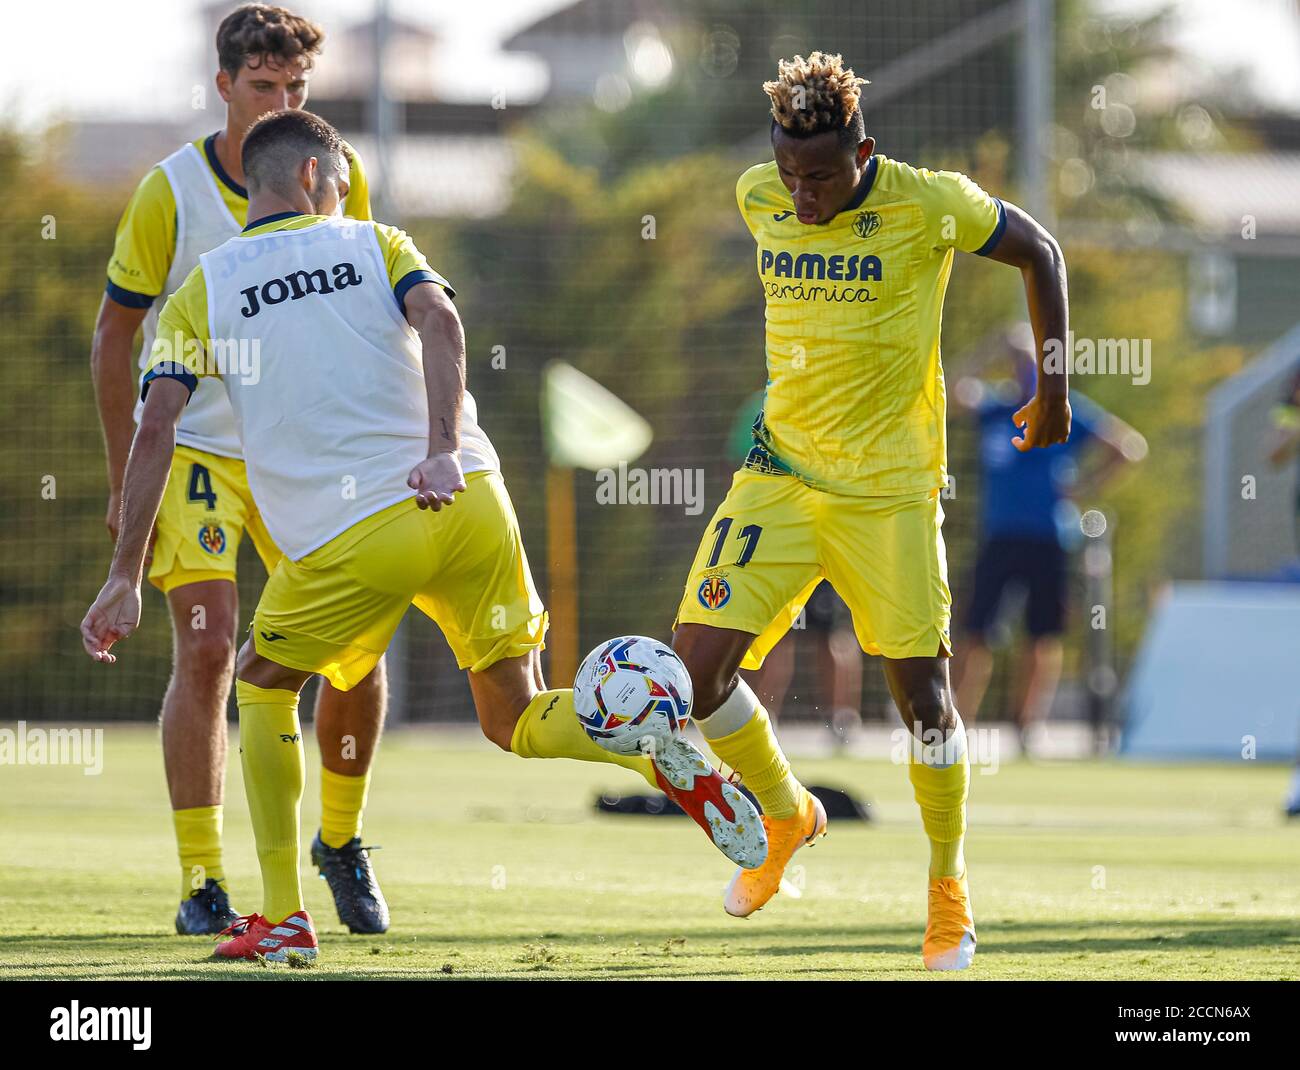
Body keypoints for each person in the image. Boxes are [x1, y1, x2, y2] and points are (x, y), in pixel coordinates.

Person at [80, 109, 765, 962]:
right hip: (474, 500)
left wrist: (123, 573)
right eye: (339, 182)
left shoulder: (205, 288)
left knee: (259, 683)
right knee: (513, 714)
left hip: (352, 531)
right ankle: (647, 754)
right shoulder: (377, 242)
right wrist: (441, 449)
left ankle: (286, 919)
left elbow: (157, 427)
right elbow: (443, 324)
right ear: (309, 181)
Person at [670, 51, 1074, 971]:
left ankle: (947, 893)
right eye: (788, 175)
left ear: (865, 152)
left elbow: (1040, 251)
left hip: (890, 494)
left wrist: (1053, 388)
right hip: (778, 478)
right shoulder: (756, 195)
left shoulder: (932, 202)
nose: (801, 197)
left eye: (819, 177)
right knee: (692, 678)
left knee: (924, 703)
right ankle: (785, 814)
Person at [89, 3, 390, 936]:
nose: (281, 102)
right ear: (223, 85)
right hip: (202, 451)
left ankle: (338, 844)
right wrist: (119, 478)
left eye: (296, 87)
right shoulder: (168, 191)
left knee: (355, 659)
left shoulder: (336, 172)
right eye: (264, 85)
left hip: (308, 454)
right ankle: (202, 880)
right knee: (211, 645)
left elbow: (371, 301)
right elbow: (114, 337)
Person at [953, 327, 1146, 756]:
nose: (1024, 369)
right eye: (1019, 360)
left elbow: (1129, 447)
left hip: (1048, 539)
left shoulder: (1064, 407)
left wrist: (1085, 488)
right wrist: (989, 350)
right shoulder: (994, 407)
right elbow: (950, 392)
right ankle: (956, 725)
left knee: (1042, 635)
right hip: (999, 538)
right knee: (975, 630)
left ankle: (1028, 726)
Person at [726, 390, 865, 744]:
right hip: (773, 536)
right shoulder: (759, 406)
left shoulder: (831, 404)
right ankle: (761, 718)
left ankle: (842, 720)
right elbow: (740, 467)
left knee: (831, 633)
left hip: (825, 531)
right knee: (772, 634)